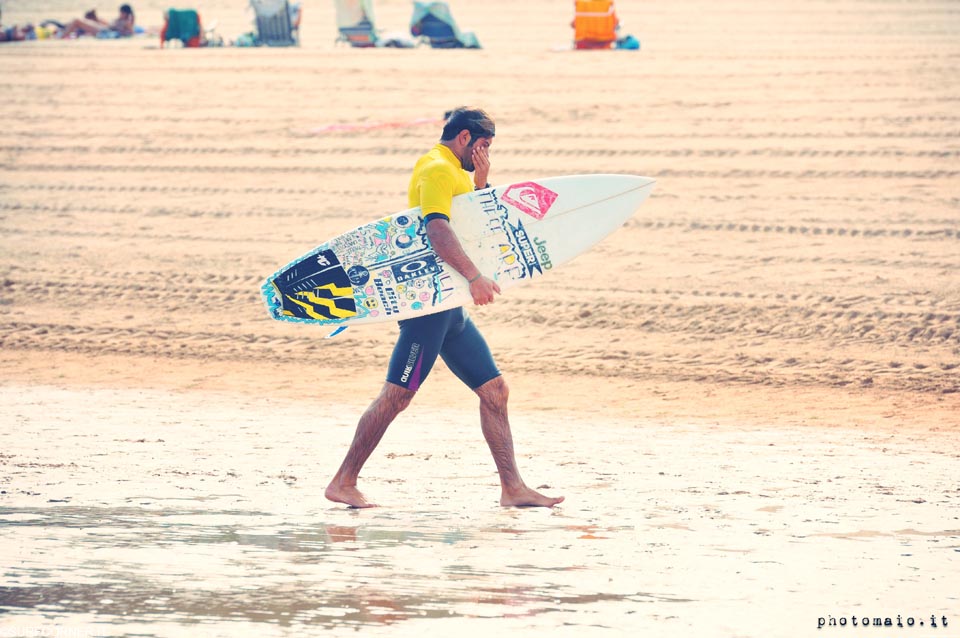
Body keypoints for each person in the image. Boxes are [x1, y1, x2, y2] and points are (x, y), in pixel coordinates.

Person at [325, 107, 565, 509]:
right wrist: (474, 277)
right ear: (465, 138)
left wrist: (482, 183)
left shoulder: (456, 170)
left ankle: (513, 488)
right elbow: (437, 228)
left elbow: (471, 222)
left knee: (494, 391)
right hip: (429, 306)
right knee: (397, 395)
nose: (486, 154)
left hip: (447, 305)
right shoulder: (437, 169)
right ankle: (343, 481)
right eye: (484, 145)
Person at [59, 4, 135, 39]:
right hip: (104, 28)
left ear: (125, 13)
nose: (120, 13)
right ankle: (64, 29)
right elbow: (111, 25)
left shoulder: (126, 22)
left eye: (121, 12)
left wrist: (122, 33)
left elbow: (131, 33)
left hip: (104, 31)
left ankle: (61, 37)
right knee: (82, 20)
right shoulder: (120, 19)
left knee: (77, 21)